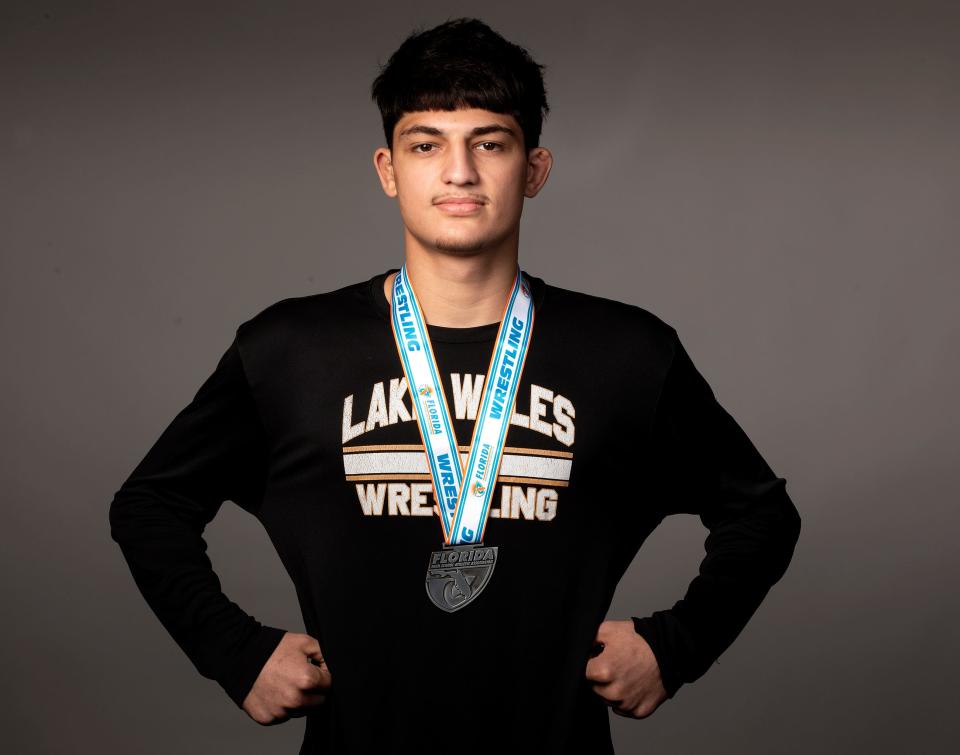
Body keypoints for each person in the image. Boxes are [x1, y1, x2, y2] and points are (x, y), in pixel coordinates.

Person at [109, 16, 801, 754]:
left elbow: (761, 516)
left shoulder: (627, 355)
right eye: (426, 144)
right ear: (388, 169)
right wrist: (236, 652)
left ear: (534, 168)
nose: (459, 172)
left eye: (490, 143)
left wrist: (675, 645)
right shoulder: (291, 350)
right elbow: (150, 505)